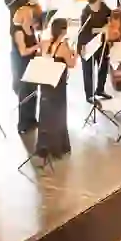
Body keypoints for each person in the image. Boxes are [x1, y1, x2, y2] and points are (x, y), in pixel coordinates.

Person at [35, 18, 76, 159]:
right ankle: (58, 146)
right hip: (58, 84)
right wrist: (74, 54)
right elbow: (71, 64)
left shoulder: (44, 43)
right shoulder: (63, 46)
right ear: (64, 30)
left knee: (46, 113)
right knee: (58, 114)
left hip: (46, 83)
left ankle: (43, 145)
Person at [78, 0, 113, 102]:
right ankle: (89, 95)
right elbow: (86, 30)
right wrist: (101, 29)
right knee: (88, 70)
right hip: (87, 42)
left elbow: (111, 16)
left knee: (103, 66)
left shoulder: (103, 7)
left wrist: (110, 24)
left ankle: (100, 90)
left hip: (101, 42)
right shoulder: (86, 12)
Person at [11, 5, 40, 134]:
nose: (31, 17)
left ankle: (32, 120)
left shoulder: (30, 29)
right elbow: (23, 51)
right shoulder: (18, 31)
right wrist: (37, 46)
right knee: (24, 94)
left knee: (33, 93)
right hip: (22, 65)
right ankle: (23, 124)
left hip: (33, 64)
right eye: (28, 15)